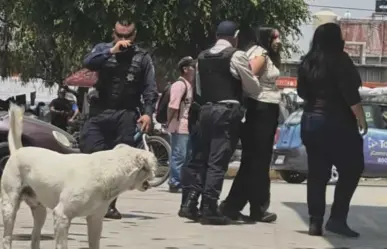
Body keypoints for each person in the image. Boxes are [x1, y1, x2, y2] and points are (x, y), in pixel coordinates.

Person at [179, 20, 262, 225]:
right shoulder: (236, 55)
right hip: (226, 111)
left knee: (202, 159)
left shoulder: (201, 57)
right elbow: (253, 88)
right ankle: (209, 207)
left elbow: (198, 89)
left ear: (216, 36)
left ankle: (190, 203)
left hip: (206, 110)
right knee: (218, 161)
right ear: (235, 36)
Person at [79, 19, 158, 220]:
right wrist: (111, 51)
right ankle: (89, 201)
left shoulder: (143, 57)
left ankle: (109, 205)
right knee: (92, 156)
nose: (124, 40)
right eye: (120, 35)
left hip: (126, 113)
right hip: (99, 112)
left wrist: (148, 112)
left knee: (119, 163)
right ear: (113, 34)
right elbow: (87, 62)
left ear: (134, 35)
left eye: (127, 36)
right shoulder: (102, 50)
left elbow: (150, 89)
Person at [297, 23, 366, 237]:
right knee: (353, 168)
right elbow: (350, 94)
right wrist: (361, 119)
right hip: (338, 123)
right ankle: (337, 218)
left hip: (311, 121)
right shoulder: (341, 60)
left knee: (317, 173)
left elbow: (301, 93)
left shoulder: (307, 62)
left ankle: (315, 222)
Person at [220, 26, 282, 223]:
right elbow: (248, 80)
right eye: (275, 37)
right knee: (256, 161)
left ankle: (256, 207)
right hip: (260, 108)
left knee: (258, 162)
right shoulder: (260, 53)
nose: (278, 41)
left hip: (266, 109)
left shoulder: (265, 53)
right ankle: (235, 206)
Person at [167, 56, 196, 193]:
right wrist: (168, 122)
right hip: (179, 125)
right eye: (193, 67)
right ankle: (175, 182)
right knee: (179, 155)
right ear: (185, 69)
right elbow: (173, 106)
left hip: (187, 126)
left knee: (185, 156)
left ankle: (182, 181)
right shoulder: (179, 85)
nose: (195, 70)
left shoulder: (190, 85)